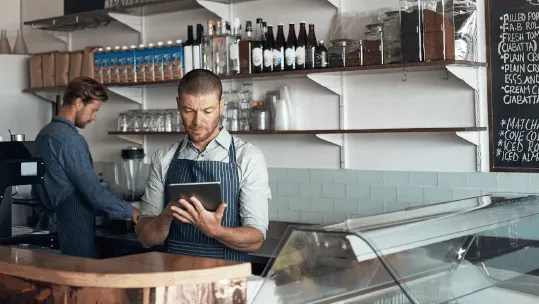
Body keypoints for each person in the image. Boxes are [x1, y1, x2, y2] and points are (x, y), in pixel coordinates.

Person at [136, 69, 270, 262]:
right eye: (188, 110)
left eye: (207, 111)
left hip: (227, 281)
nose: (198, 122)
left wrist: (216, 231)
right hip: (174, 278)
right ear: (178, 105)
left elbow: (255, 239)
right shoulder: (163, 159)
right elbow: (145, 238)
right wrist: (165, 216)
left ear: (221, 105)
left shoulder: (248, 157)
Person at [33, 76, 139, 258]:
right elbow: (93, 191)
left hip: (49, 227)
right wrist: (133, 212)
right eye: (93, 110)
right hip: (71, 228)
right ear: (79, 102)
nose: (94, 117)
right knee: (79, 282)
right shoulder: (70, 139)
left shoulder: (44, 134)